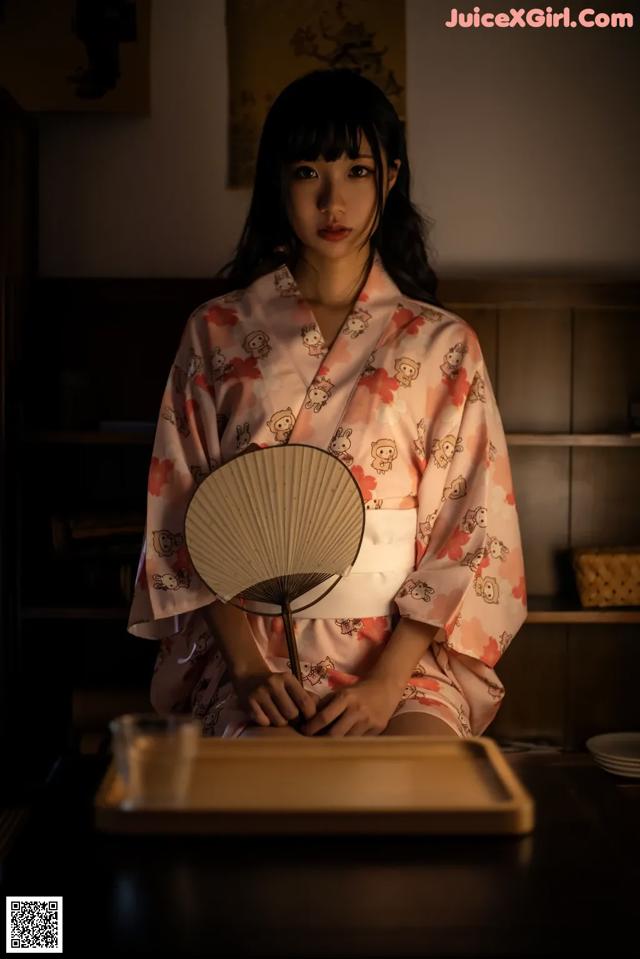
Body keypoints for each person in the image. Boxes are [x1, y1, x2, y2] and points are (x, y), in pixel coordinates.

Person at [126, 68, 528, 740]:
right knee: (271, 807)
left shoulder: (442, 344)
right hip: (255, 655)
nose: (333, 199)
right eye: (309, 171)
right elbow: (182, 514)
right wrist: (250, 669)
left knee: (415, 792)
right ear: (278, 181)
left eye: (358, 171)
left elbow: (472, 526)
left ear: (391, 178)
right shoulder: (216, 333)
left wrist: (387, 680)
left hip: (403, 660)